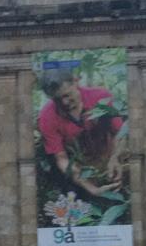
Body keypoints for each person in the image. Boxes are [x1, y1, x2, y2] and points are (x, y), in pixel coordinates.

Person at [37, 67, 126, 197]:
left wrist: (116, 158)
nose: (64, 103)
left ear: (76, 81)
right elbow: (61, 158)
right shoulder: (46, 117)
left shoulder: (101, 97)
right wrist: (91, 188)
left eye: (67, 95)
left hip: (111, 157)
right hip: (81, 172)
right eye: (57, 100)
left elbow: (120, 132)